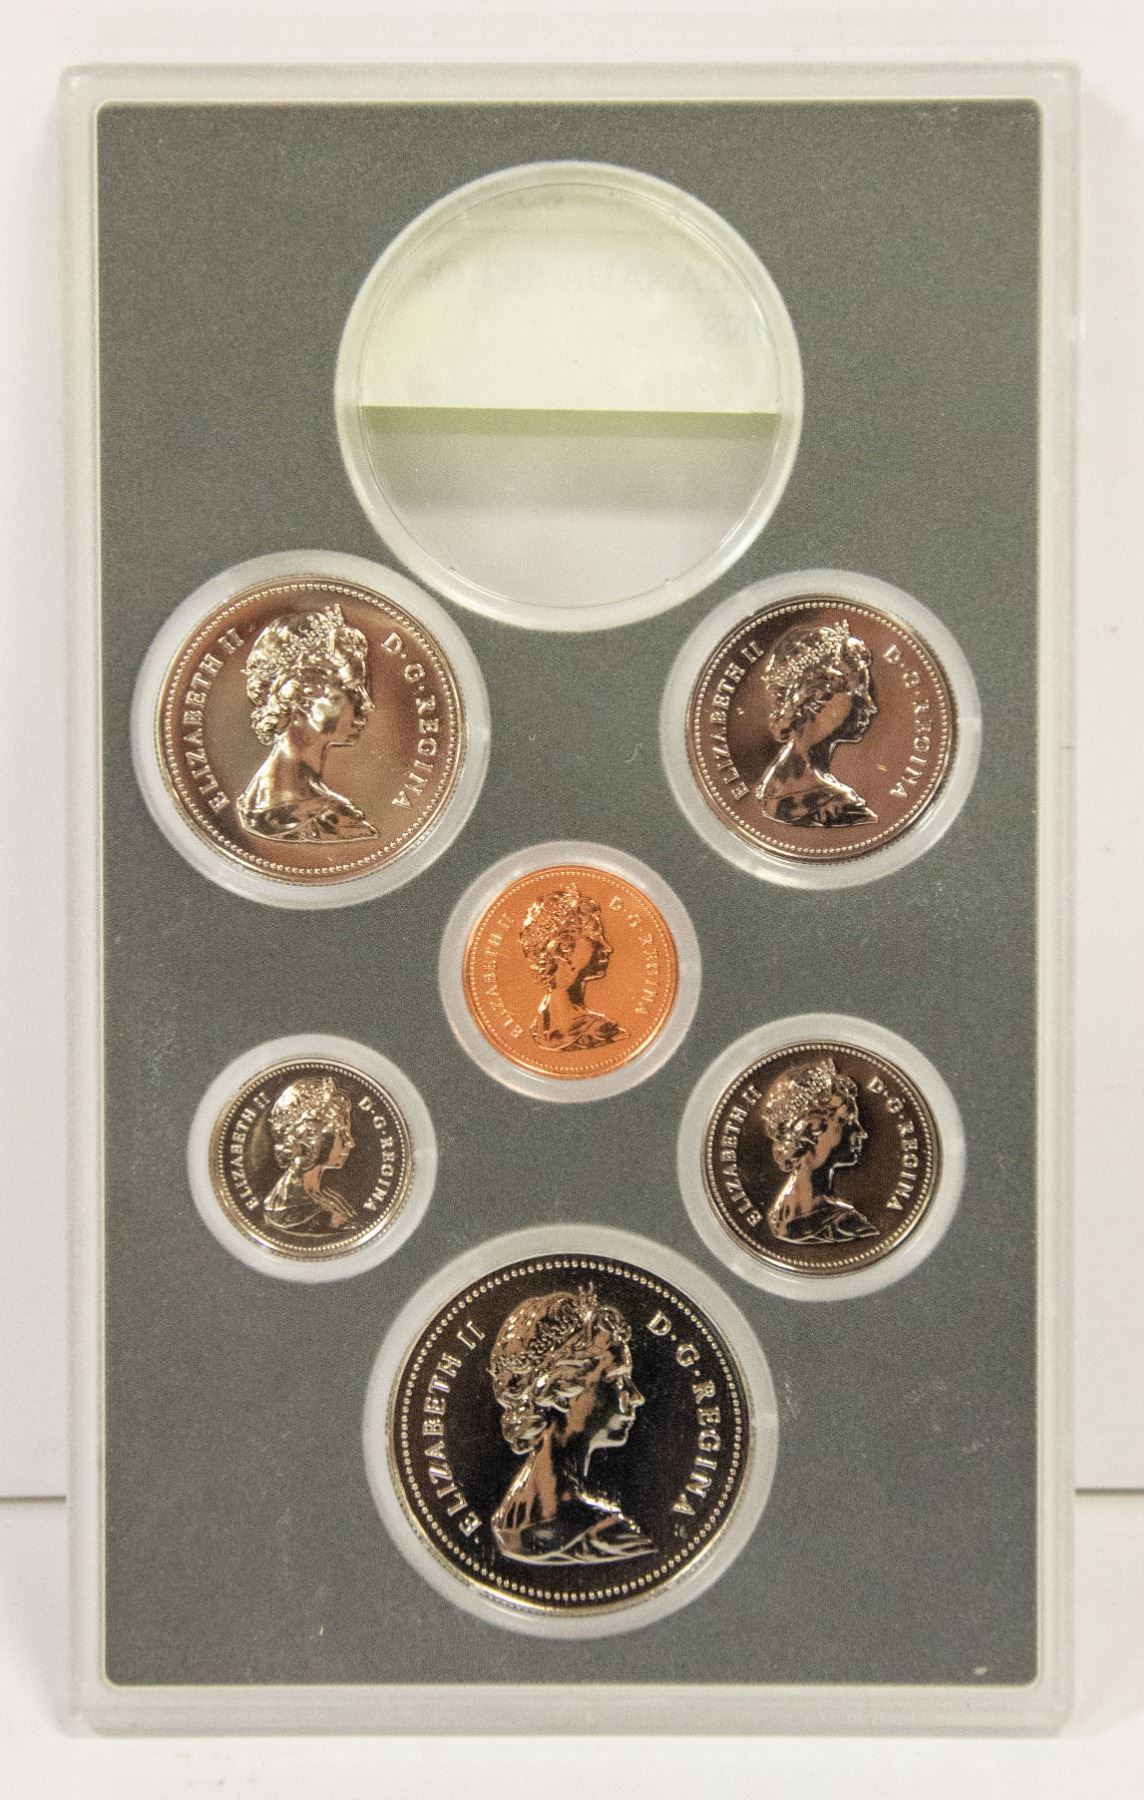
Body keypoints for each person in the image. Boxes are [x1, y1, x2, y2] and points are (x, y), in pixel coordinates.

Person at [488, 1286, 654, 1566]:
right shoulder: (609, 1533)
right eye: (617, 1379)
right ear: (561, 1391)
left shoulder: (506, 1521)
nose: (636, 1397)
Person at [236, 604, 378, 842]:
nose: (367, 704)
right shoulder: (303, 814)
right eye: (351, 690)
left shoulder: (324, 806)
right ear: (303, 695)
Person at [755, 617, 878, 827]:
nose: (870, 706)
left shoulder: (771, 787)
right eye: (857, 692)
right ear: (818, 696)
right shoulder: (838, 808)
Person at [756, 1056, 879, 1244]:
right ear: (813, 1128)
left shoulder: (778, 1217)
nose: (862, 1132)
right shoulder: (848, 1226)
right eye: (847, 1120)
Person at [517, 885, 627, 1052]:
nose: (607, 948)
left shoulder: (540, 1029)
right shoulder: (604, 1034)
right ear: (564, 950)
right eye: (594, 938)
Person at [262, 1074, 357, 1233]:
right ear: (315, 1139)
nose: (350, 1142)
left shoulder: (318, 1199)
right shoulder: (299, 1209)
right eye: (341, 1133)